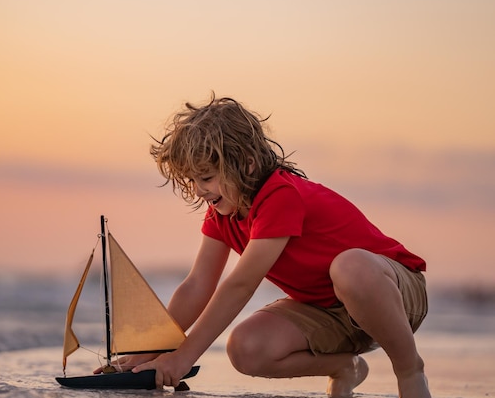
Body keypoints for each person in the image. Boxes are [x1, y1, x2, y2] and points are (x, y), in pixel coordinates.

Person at [100, 94, 431, 397]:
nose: (199, 190)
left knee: (350, 268)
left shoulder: (280, 195)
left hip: (394, 294)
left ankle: (408, 368)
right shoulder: (222, 213)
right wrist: (144, 356)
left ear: (246, 163)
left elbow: (241, 283)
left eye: (207, 177)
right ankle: (344, 365)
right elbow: (197, 286)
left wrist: (184, 358)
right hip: (325, 310)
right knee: (245, 347)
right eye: (192, 180)